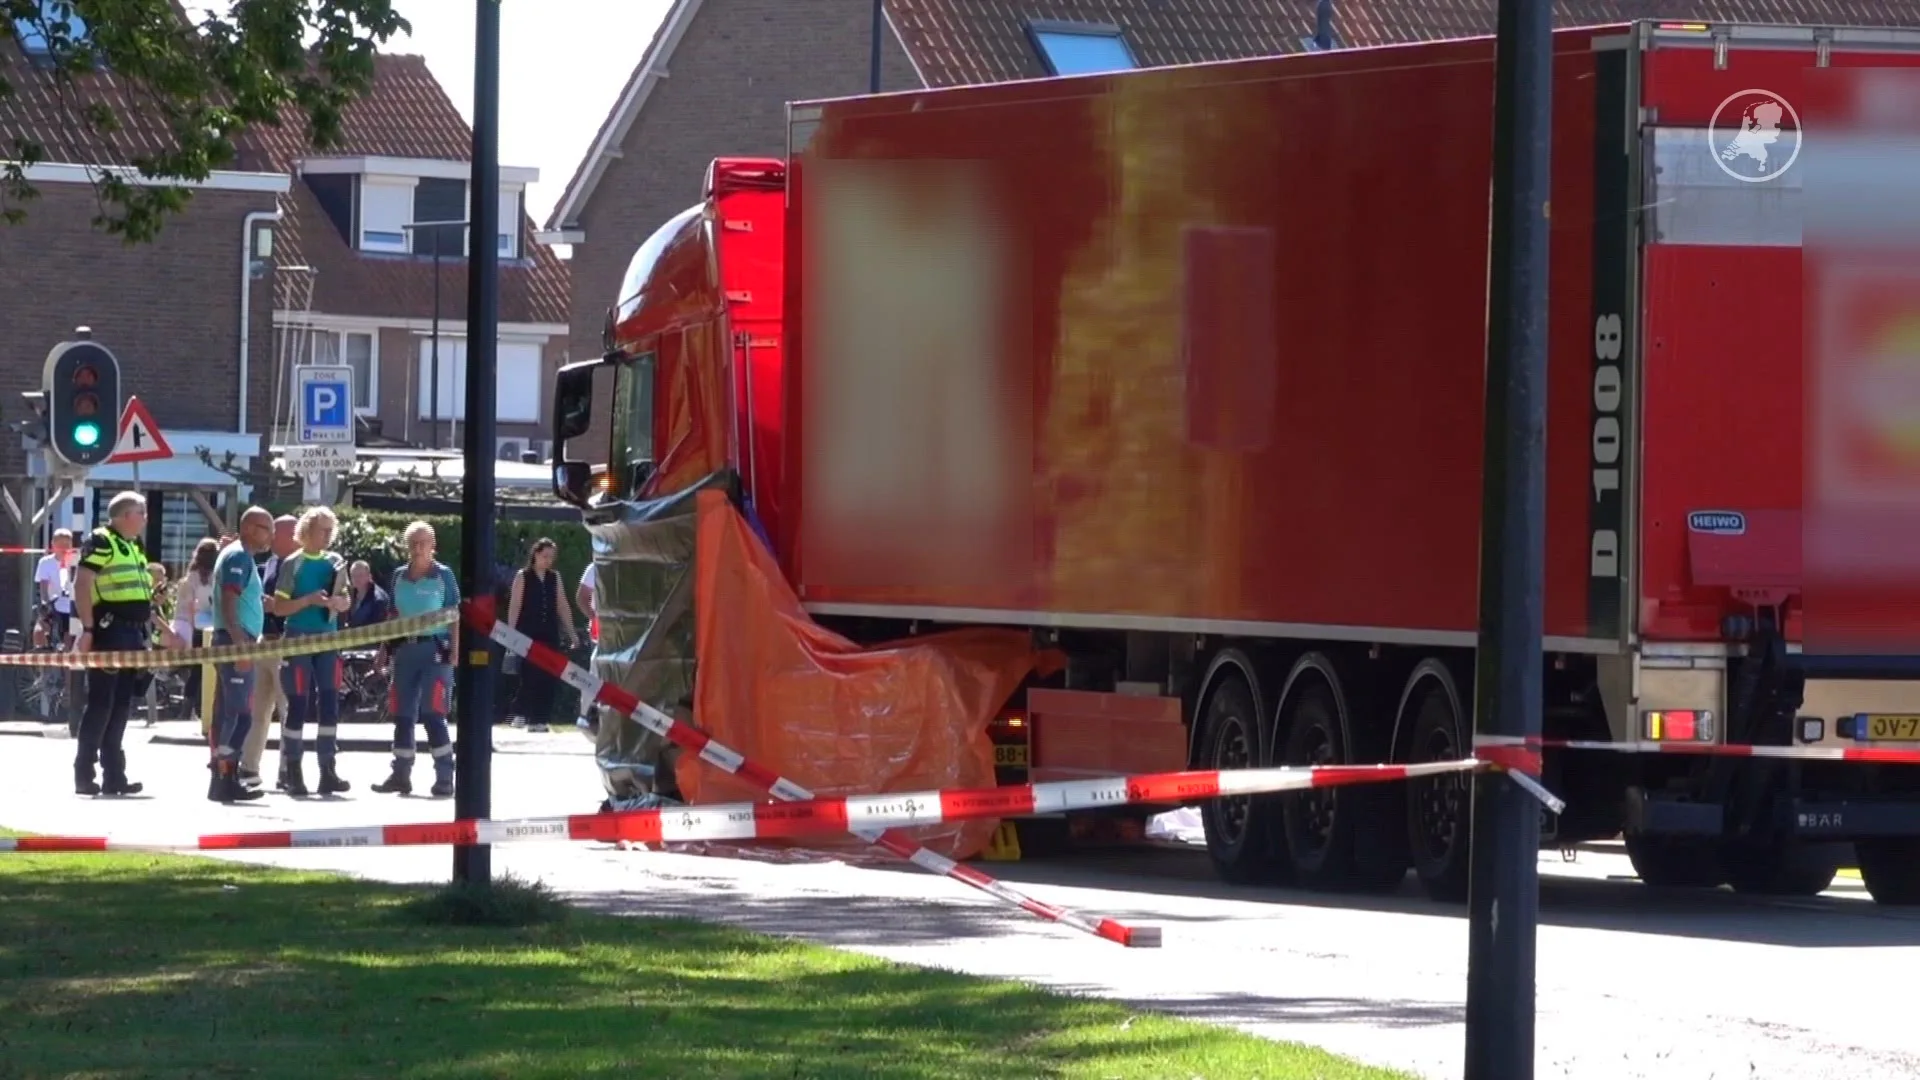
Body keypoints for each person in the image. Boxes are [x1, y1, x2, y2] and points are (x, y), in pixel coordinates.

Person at [72, 492, 176, 796]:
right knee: (101, 704)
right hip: (110, 632)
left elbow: (132, 591)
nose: (146, 519)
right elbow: (83, 583)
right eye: (141, 513)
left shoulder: (134, 545)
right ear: (124, 515)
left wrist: (154, 611)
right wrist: (88, 629)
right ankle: (84, 773)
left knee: (121, 705)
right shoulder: (102, 540)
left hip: (132, 633)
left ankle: (114, 775)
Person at [268, 507, 353, 795]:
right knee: (298, 705)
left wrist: (340, 604)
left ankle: (327, 770)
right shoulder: (293, 563)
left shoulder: (336, 562)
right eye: (323, 530)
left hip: (329, 640)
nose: (328, 536)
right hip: (299, 638)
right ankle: (293, 771)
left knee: (330, 704)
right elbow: (279, 608)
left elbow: (346, 598)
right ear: (307, 531)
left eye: (331, 530)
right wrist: (308, 600)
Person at [372, 521, 460, 797]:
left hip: (435, 649)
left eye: (423, 543)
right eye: (413, 543)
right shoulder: (399, 575)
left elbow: (455, 614)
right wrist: (383, 649)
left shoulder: (443, 575)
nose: (417, 548)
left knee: (433, 712)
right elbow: (392, 615)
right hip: (405, 650)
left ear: (433, 546)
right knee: (402, 712)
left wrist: (456, 650)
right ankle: (400, 774)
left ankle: (445, 775)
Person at [208, 508, 272, 804]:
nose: (269, 536)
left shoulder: (238, 556)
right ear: (248, 527)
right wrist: (240, 645)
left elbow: (241, 599)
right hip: (235, 640)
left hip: (233, 638)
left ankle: (222, 780)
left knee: (228, 714)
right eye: (264, 528)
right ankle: (225, 778)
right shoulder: (239, 557)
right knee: (240, 715)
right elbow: (229, 601)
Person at [240, 515, 296, 790]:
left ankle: (287, 770)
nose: (271, 536)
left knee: (287, 710)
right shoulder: (272, 562)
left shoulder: (302, 565)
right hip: (266, 640)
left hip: (288, 642)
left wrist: (279, 606)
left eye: (277, 532)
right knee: (257, 709)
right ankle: (249, 767)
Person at [505, 538, 577, 733]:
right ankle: (520, 713)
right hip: (528, 632)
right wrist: (511, 634)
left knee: (548, 675)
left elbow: (562, 605)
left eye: (551, 557)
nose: (548, 561)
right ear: (536, 554)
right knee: (529, 674)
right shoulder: (523, 576)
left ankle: (540, 718)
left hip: (549, 632)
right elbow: (515, 605)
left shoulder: (555, 577)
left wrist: (571, 633)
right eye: (545, 556)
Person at [174, 539, 220, 725]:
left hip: (196, 626)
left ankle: (190, 707)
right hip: (203, 626)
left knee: (198, 670)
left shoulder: (189, 578)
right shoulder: (214, 577)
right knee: (205, 669)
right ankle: (197, 708)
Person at [32, 528, 75, 648]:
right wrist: (44, 603)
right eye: (60, 545)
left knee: (68, 640)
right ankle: (41, 662)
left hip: (71, 607)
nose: (64, 548)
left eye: (67, 544)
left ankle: (67, 664)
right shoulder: (45, 562)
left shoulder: (77, 562)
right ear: (53, 544)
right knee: (39, 632)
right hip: (52, 605)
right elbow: (43, 585)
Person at [345, 560, 391, 629]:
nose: (356, 579)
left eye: (360, 575)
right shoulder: (351, 594)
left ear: (369, 576)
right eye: (353, 575)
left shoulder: (378, 599)